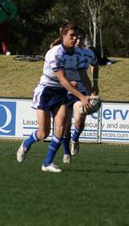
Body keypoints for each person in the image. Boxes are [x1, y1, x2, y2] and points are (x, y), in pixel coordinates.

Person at [16, 22, 91, 173]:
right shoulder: (55, 53)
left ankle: (47, 163)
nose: (75, 38)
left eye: (76, 35)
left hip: (61, 93)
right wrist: (81, 97)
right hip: (46, 92)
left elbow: (84, 76)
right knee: (43, 133)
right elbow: (62, 79)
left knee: (62, 127)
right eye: (71, 35)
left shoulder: (79, 54)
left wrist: (89, 95)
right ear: (63, 36)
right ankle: (26, 143)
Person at [62, 30, 99, 163]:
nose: (78, 41)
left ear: (83, 41)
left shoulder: (88, 54)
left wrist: (95, 83)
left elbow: (95, 64)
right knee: (65, 125)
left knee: (80, 119)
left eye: (80, 39)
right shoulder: (63, 53)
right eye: (75, 38)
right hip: (64, 91)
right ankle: (66, 152)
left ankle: (75, 139)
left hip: (81, 91)